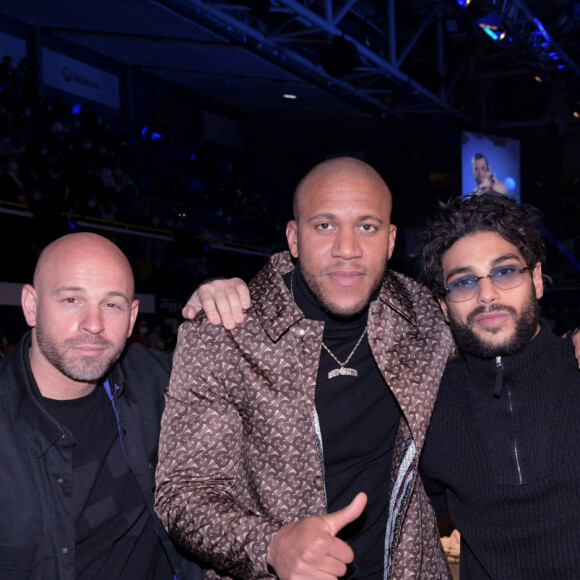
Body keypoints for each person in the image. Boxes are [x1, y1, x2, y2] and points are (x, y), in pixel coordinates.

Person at [155, 157, 456, 579]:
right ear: (294, 239)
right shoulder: (223, 334)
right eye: (325, 226)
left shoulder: (426, 319)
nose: (347, 249)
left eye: (366, 227)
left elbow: (504, 340)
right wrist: (272, 545)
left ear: (390, 241)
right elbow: (184, 495)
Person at [0, 232, 210, 580]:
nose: (94, 324)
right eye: (71, 299)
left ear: (131, 318)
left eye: (111, 304)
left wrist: (219, 291)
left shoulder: (155, 379)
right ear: (31, 306)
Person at [419, 193, 580, 579]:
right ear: (444, 307)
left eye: (505, 271)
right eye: (463, 282)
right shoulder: (425, 403)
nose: (487, 294)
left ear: (538, 280)